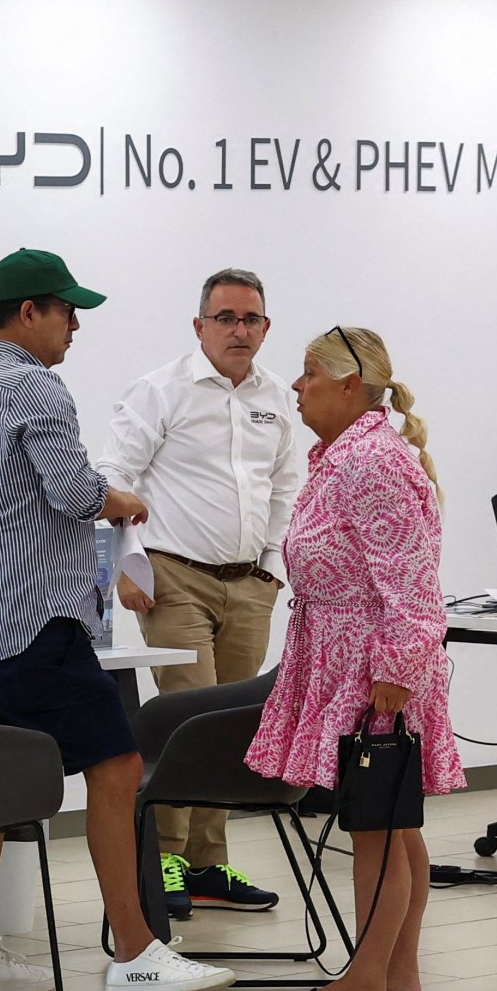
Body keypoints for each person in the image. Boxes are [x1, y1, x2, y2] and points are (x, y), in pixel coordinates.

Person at [0, 249, 235, 991]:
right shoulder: (33, 384)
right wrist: (123, 500)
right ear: (28, 312)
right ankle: (136, 948)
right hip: (43, 620)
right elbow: (74, 493)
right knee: (119, 765)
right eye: (67, 311)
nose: (75, 326)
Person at [245, 326, 465, 991]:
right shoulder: (346, 456)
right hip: (351, 659)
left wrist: (393, 674)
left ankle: (365, 981)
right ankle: (396, 971)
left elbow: (413, 585)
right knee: (393, 826)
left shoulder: (372, 462)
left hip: (374, 670)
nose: (296, 385)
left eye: (309, 373)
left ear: (348, 385)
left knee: (375, 827)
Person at [107, 267, 306, 920]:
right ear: (200, 326)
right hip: (174, 578)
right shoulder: (161, 390)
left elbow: (285, 486)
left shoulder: (276, 397)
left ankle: (206, 864)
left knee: (228, 728)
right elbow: (115, 475)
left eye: (250, 319)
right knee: (186, 717)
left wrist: (273, 570)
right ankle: (164, 856)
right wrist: (128, 562)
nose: (238, 330)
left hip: (249, 584)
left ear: (266, 327)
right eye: (225, 318)